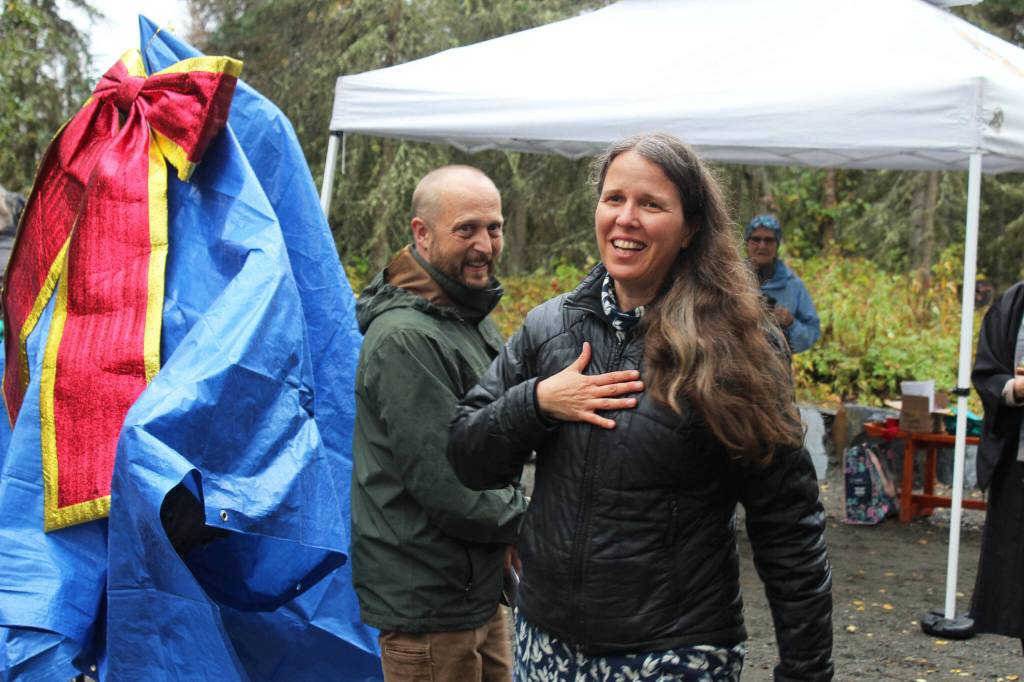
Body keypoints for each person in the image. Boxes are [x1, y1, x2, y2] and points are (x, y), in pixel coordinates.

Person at [448, 134, 833, 681]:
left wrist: (807, 669)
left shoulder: (737, 345)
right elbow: (467, 454)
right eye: (614, 199)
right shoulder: (551, 327)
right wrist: (537, 401)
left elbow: (788, 525)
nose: (626, 218)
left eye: (651, 204)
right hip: (546, 644)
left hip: (671, 652)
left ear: (690, 228)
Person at [351, 165, 528, 681]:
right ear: (421, 233)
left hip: (476, 586)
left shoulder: (462, 314)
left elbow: (496, 434)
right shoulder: (406, 338)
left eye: (493, 228)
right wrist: (535, 520)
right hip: (429, 599)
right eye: (466, 228)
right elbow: (446, 482)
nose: (486, 245)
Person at [969, 280, 1024, 653]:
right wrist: (1014, 389)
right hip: (1018, 467)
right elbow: (987, 372)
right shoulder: (1012, 304)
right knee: (1018, 592)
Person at [744, 213, 820, 353]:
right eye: (756, 239)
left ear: (777, 244)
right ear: (747, 242)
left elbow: (812, 334)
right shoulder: (729, 279)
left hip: (775, 371)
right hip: (734, 369)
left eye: (769, 240)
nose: (762, 246)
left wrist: (791, 324)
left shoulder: (792, 285)